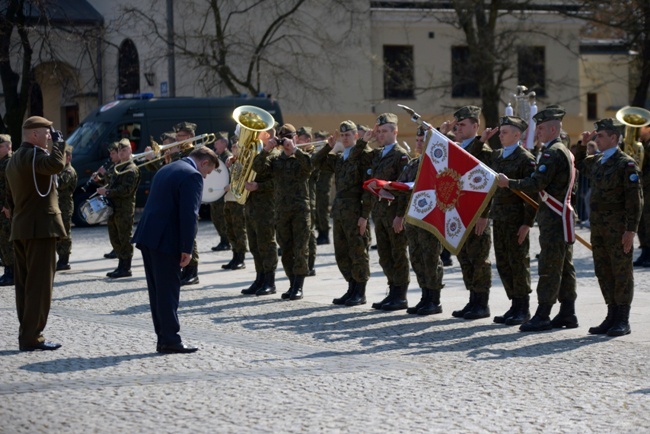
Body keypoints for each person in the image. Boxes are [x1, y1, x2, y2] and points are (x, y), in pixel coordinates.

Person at [497, 105, 578, 332]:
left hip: (554, 218)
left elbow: (535, 184)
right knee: (564, 266)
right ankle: (568, 312)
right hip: (560, 215)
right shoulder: (564, 150)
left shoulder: (553, 152)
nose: (537, 132)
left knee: (550, 266)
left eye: (541, 128)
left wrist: (509, 183)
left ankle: (543, 314)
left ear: (552, 128)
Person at [132, 146, 219, 353]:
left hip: (149, 237)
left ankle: (163, 338)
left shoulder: (168, 168)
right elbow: (189, 215)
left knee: (157, 292)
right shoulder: (192, 176)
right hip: (167, 240)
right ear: (204, 162)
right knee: (169, 292)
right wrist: (187, 248)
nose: (204, 177)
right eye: (207, 172)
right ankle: (170, 339)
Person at [575, 119, 642, 336]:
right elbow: (580, 164)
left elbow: (635, 200)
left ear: (613, 138)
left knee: (621, 270)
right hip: (598, 225)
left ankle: (623, 318)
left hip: (617, 225)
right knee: (603, 270)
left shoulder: (626, 163)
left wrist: (631, 230)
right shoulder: (598, 161)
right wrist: (583, 145)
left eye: (600, 136)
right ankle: (611, 314)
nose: (597, 139)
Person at [6, 116, 66, 351]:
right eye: (47, 133)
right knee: (39, 287)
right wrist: (59, 146)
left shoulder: (13, 160)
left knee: (24, 286)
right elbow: (56, 165)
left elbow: (11, 198)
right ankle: (33, 337)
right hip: (40, 229)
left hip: (21, 228)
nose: (50, 136)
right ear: (33, 135)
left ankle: (27, 333)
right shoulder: (34, 156)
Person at [480, 116, 537, 325]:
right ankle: (514, 304)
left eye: (505, 132)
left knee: (518, 262)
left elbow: (533, 191)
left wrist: (527, 223)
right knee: (504, 262)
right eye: (500, 131)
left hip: (516, 219)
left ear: (516, 135)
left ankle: (523, 307)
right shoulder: (497, 156)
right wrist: (482, 140)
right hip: (500, 218)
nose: (501, 135)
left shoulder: (525, 159)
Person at [440, 105, 493, 320]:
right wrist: (443, 133)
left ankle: (482, 303)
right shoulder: (458, 149)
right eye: (457, 124)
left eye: (462, 124)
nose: (458, 128)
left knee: (478, 258)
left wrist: (484, 215)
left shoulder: (485, 152)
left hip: (477, 215)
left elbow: (489, 186)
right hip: (460, 214)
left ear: (475, 126)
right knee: (465, 258)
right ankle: (472, 300)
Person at [313, 120, 372, 306]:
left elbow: (368, 189)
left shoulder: (363, 155)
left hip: (355, 210)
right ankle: (351, 287)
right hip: (339, 212)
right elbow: (315, 162)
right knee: (342, 252)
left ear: (356, 135)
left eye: (348, 135)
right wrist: (328, 147)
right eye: (342, 135)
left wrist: (364, 216)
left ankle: (360, 292)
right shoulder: (340, 158)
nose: (345, 138)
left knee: (358, 251)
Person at [252, 124, 312, 300]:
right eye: (283, 138)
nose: (286, 141)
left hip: (300, 210)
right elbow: (257, 167)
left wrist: (294, 150)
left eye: (289, 137)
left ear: (295, 138)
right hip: (281, 211)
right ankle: (292, 283)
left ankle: (299, 286)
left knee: (300, 249)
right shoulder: (276, 160)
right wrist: (266, 149)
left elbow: (309, 167)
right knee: (286, 249)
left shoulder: (302, 157)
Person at [364, 113, 411, 311]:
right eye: (379, 131)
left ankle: (400, 295)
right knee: (384, 255)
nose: (381, 135)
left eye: (384, 131)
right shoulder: (379, 154)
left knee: (398, 253)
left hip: (394, 214)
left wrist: (401, 215)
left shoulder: (401, 156)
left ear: (395, 132)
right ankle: (392, 291)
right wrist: (367, 140)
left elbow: (405, 189)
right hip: (380, 212)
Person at [399, 126, 445, 315]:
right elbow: (401, 185)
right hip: (413, 217)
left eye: (422, 141)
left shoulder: (437, 163)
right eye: (417, 140)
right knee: (417, 257)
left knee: (431, 257)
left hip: (430, 217)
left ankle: (434, 299)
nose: (418, 144)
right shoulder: (413, 164)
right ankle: (425, 295)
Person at [240, 127, 279, 296]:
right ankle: (260, 277)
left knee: (266, 244)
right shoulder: (256, 153)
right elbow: (248, 171)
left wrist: (259, 186)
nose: (255, 136)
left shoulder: (275, 156)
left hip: (266, 207)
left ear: (268, 135)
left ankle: (270, 281)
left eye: (260, 133)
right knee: (254, 245)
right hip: (251, 205)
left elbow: (278, 183)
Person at [98, 139, 140, 278]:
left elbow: (126, 190)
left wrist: (108, 192)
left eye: (124, 150)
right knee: (115, 237)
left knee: (124, 238)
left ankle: (126, 267)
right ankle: (120, 265)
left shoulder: (131, 169)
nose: (121, 153)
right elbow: (112, 184)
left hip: (124, 209)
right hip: (113, 207)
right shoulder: (118, 167)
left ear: (130, 151)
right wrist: (104, 188)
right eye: (120, 151)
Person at [221, 138, 247, 271]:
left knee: (239, 230)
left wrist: (230, 187)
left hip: (237, 201)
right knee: (230, 230)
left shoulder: (242, 163)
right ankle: (235, 255)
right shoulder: (230, 162)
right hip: (228, 200)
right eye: (232, 148)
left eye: (236, 147)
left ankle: (241, 258)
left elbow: (242, 180)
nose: (233, 149)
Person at [296, 126, 318, 276]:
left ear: (308, 140)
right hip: (297, 198)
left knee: (309, 233)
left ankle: (310, 264)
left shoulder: (313, 154)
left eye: (299, 139)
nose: (296, 141)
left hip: (309, 198)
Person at [56, 145, 78, 271]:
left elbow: (60, 184)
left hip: (65, 205)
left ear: (68, 158)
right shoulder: (61, 170)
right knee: (58, 232)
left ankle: (64, 260)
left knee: (64, 232)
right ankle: (60, 258)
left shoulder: (69, 171)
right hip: (58, 205)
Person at [210, 132, 232, 252]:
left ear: (224, 143)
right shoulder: (218, 156)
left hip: (223, 194)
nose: (214, 145)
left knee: (222, 218)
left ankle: (226, 241)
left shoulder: (227, 157)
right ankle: (223, 240)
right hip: (216, 193)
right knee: (216, 218)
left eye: (216, 143)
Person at [633, 124, 650, 266]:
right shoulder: (640, 144)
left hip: (648, 187)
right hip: (642, 189)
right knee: (641, 221)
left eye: (642, 127)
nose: (638, 130)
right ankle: (644, 250)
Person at [314, 129, 333, 245]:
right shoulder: (316, 153)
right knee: (316, 210)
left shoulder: (328, 153)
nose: (318, 142)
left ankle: (325, 234)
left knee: (323, 211)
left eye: (320, 139)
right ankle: (320, 232)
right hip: (316, 186)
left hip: (323, 186)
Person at [0, 134, 14, 286]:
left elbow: (12, 187)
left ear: (9, 146)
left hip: (7, 209)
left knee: (7, 240)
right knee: (3, 241)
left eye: (0, 146)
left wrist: (8, 206)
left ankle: (12, 273)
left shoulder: (10, 163)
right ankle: (8, 270)